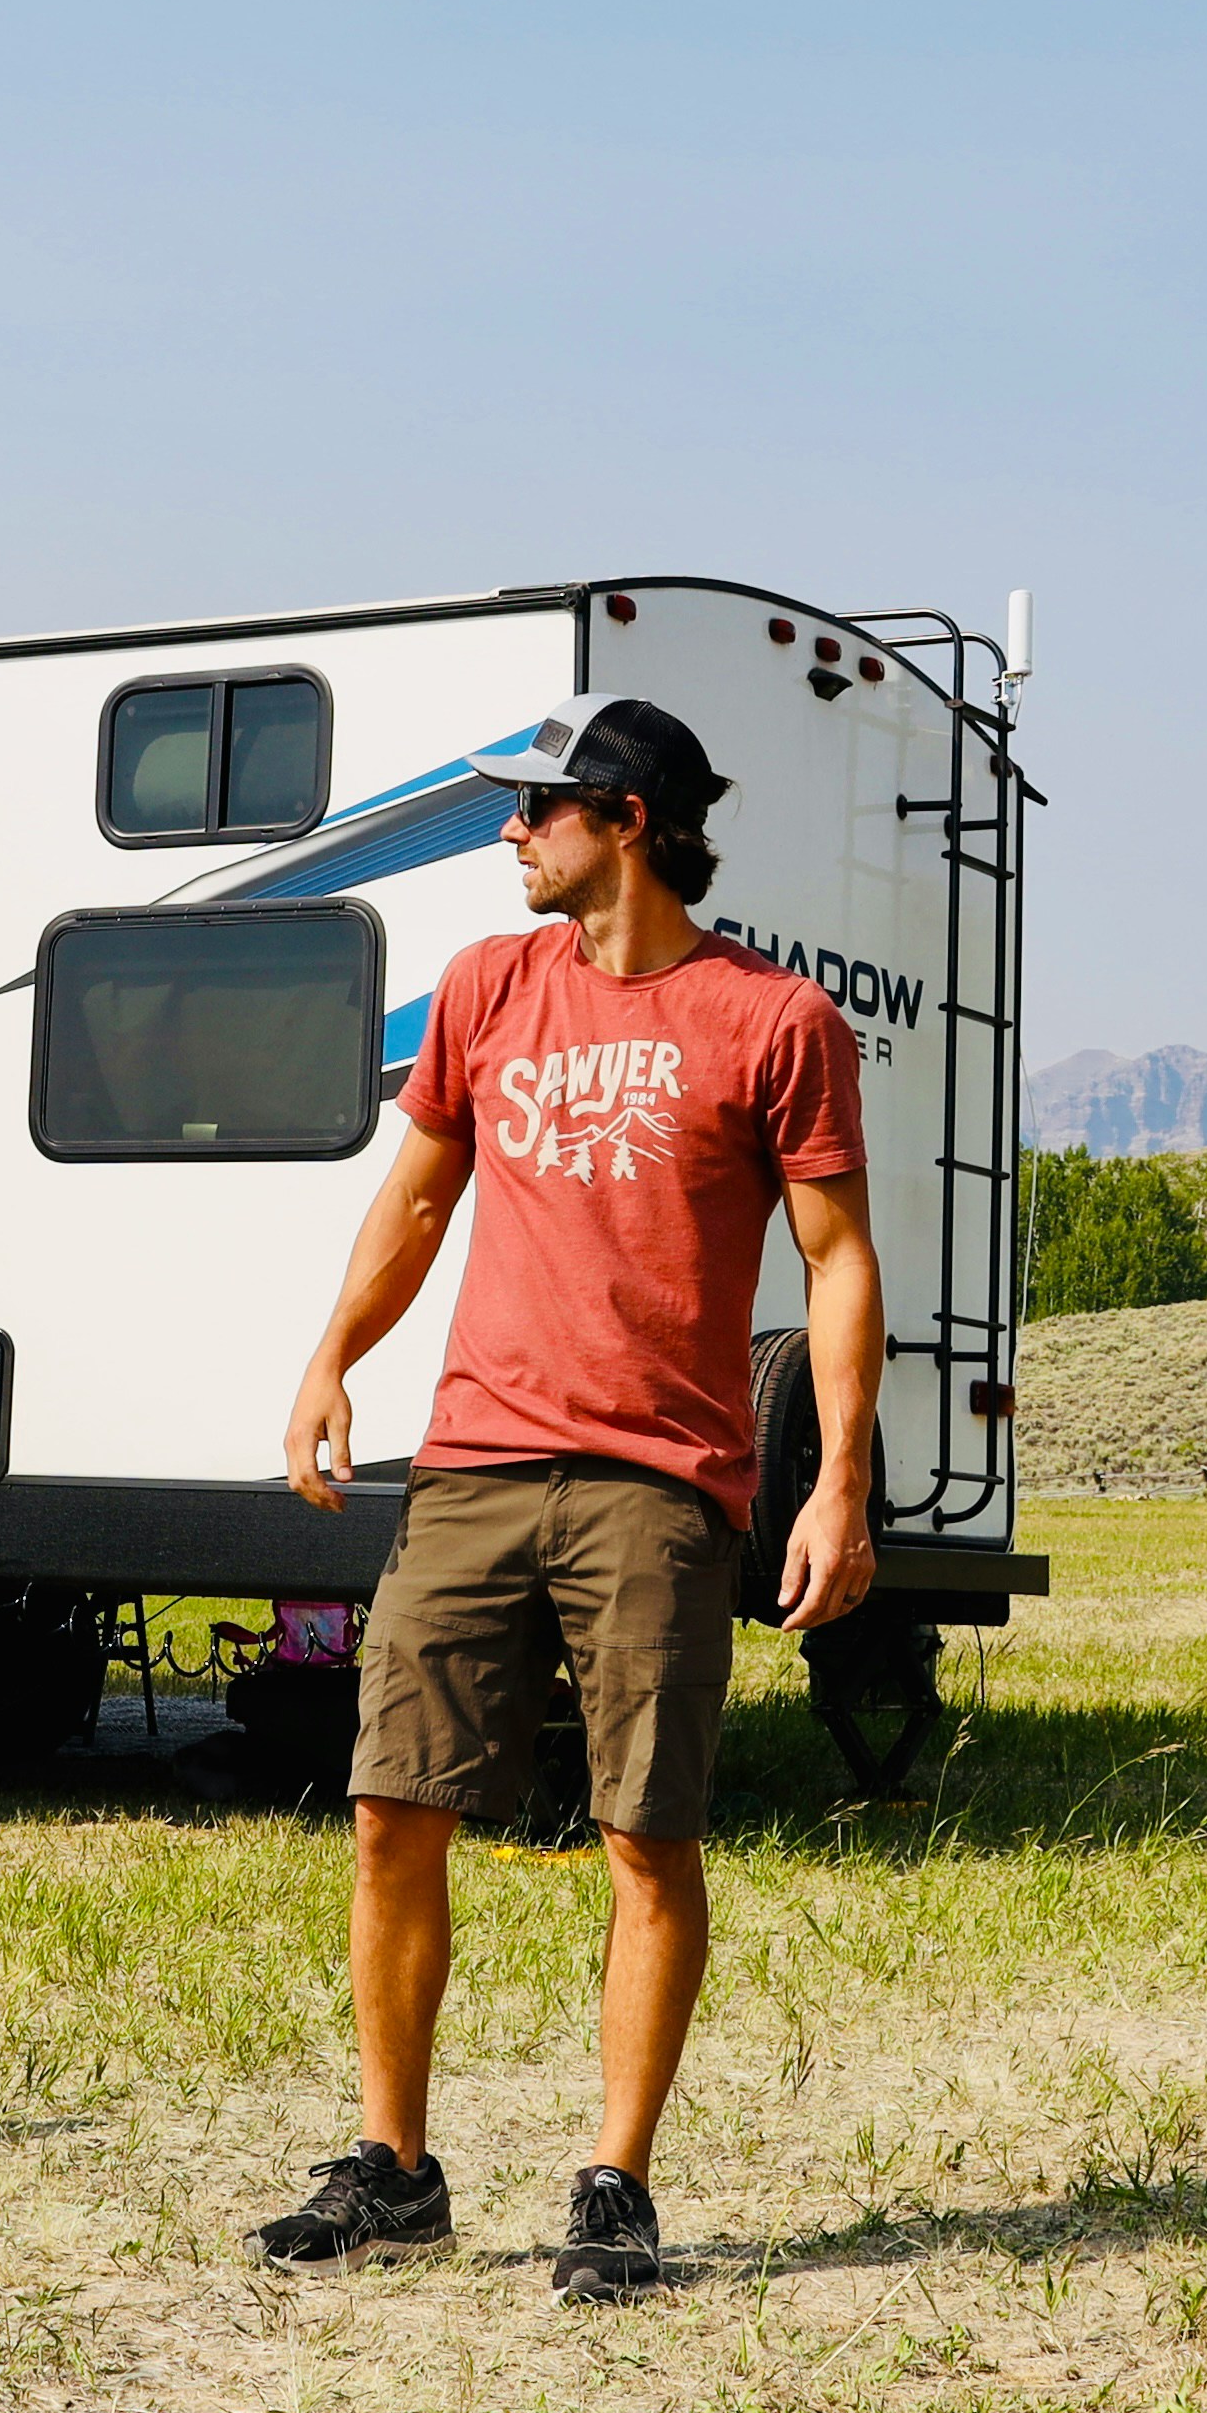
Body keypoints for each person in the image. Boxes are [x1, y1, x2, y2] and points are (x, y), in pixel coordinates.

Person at [259, 692, 879, 2299]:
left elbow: (836, 1263)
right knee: (394, 1810)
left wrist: (839, 1486)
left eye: (537, 808)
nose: (511, 832)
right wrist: (332, 1358)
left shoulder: (774, 1021)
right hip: (474, 1460)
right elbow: (413, 1199)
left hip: (661, 1485)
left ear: (626, 821)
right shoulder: (486, 989)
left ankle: (616, 2183)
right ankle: (395, 2171)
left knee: (643, 1836)